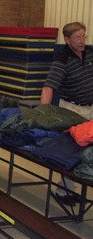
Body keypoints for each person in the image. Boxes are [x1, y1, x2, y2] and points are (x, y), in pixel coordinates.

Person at [40, 22, 93, 206]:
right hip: (72, 110)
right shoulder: (62, 59)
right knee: (72, 150)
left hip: (89, 109)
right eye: (78, 37)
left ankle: (73, 188)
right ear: (67, 40)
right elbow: (49, 87)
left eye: (83, 36)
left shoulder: (90, 52)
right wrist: (42, 113)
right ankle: (64, 191)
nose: (82, 41)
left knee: (87, 151)